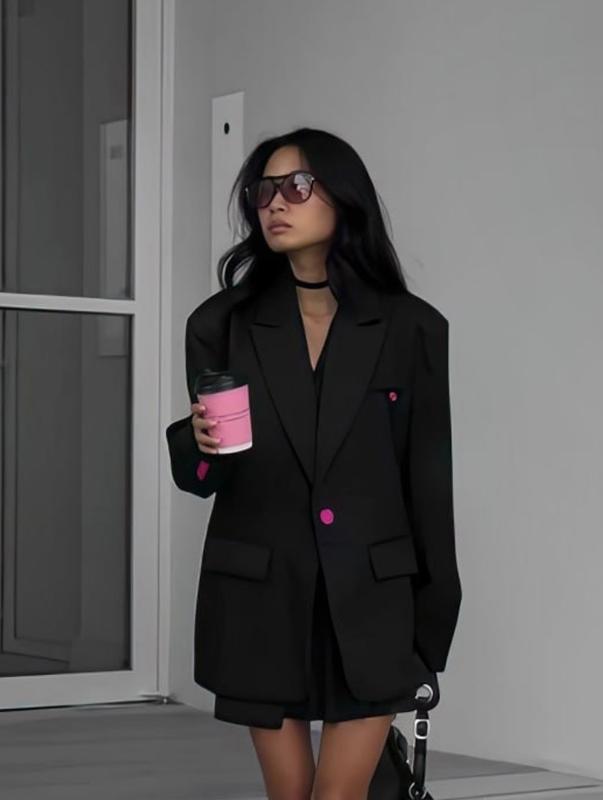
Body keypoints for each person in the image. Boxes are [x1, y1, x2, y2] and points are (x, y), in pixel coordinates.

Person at [166, 127, 462, 800]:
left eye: (297, 186)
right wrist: (197, 443)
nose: (276, 202)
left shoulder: (413, 328)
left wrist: (432, 624)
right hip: (260, 600)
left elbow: (427, 481)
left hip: (372, 602)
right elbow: (205, 478)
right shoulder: (222, 323)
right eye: (264, 189)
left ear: (343, 197)